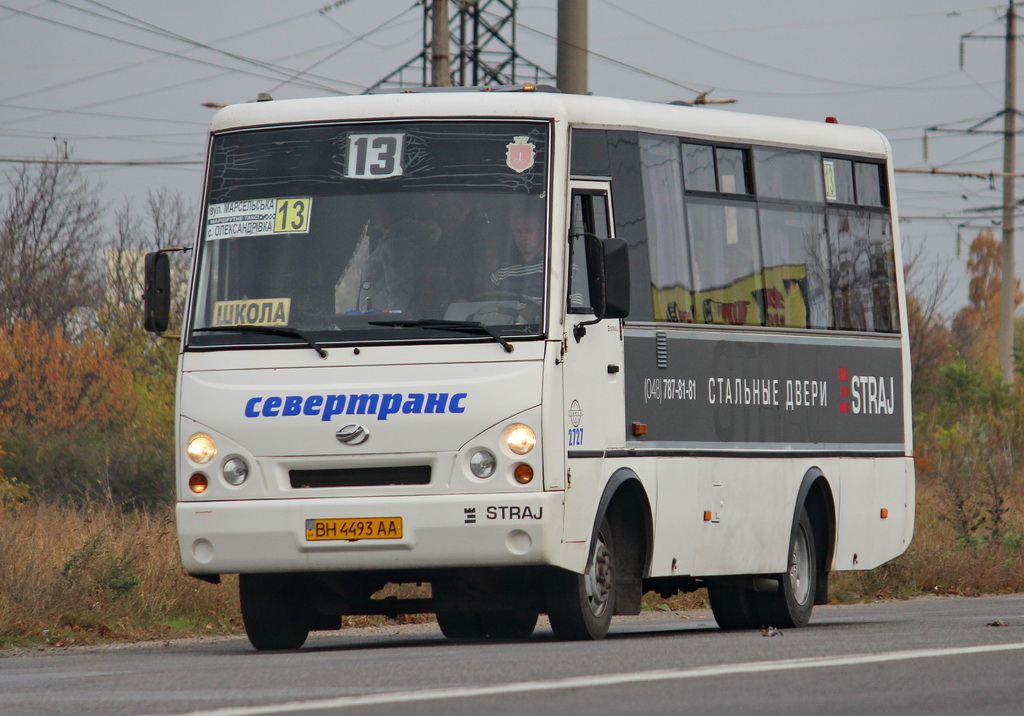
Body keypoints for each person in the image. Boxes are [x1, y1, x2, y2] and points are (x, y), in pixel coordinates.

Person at [488, 210, 545, 302]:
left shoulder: (558, 272)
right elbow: (487, 309)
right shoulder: (500, 275)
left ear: (542, 232)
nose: (523, 237)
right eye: (518, 231)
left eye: (528, 231)